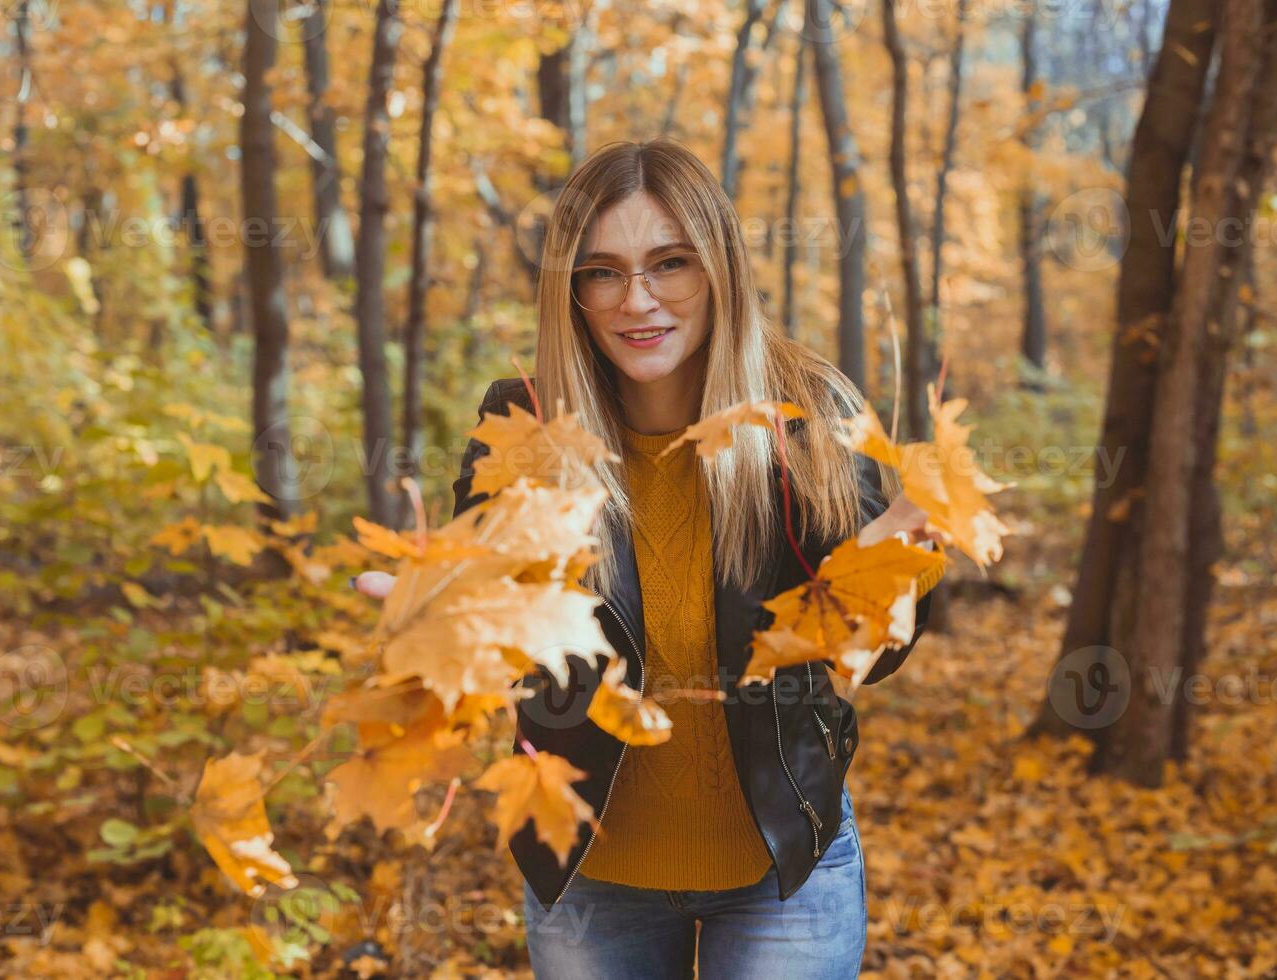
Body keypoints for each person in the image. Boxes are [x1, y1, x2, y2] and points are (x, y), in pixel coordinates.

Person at [355, 137, 941, 979]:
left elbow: (869, 657)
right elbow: (488, 611)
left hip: (781, 871)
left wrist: (890, 568)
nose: (639, 300)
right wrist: (436, 629)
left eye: (671, 262)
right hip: (591, 880)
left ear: (721, 269)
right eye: (602, 271)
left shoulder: (805, 414)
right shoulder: (522, 419)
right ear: (573, 292)